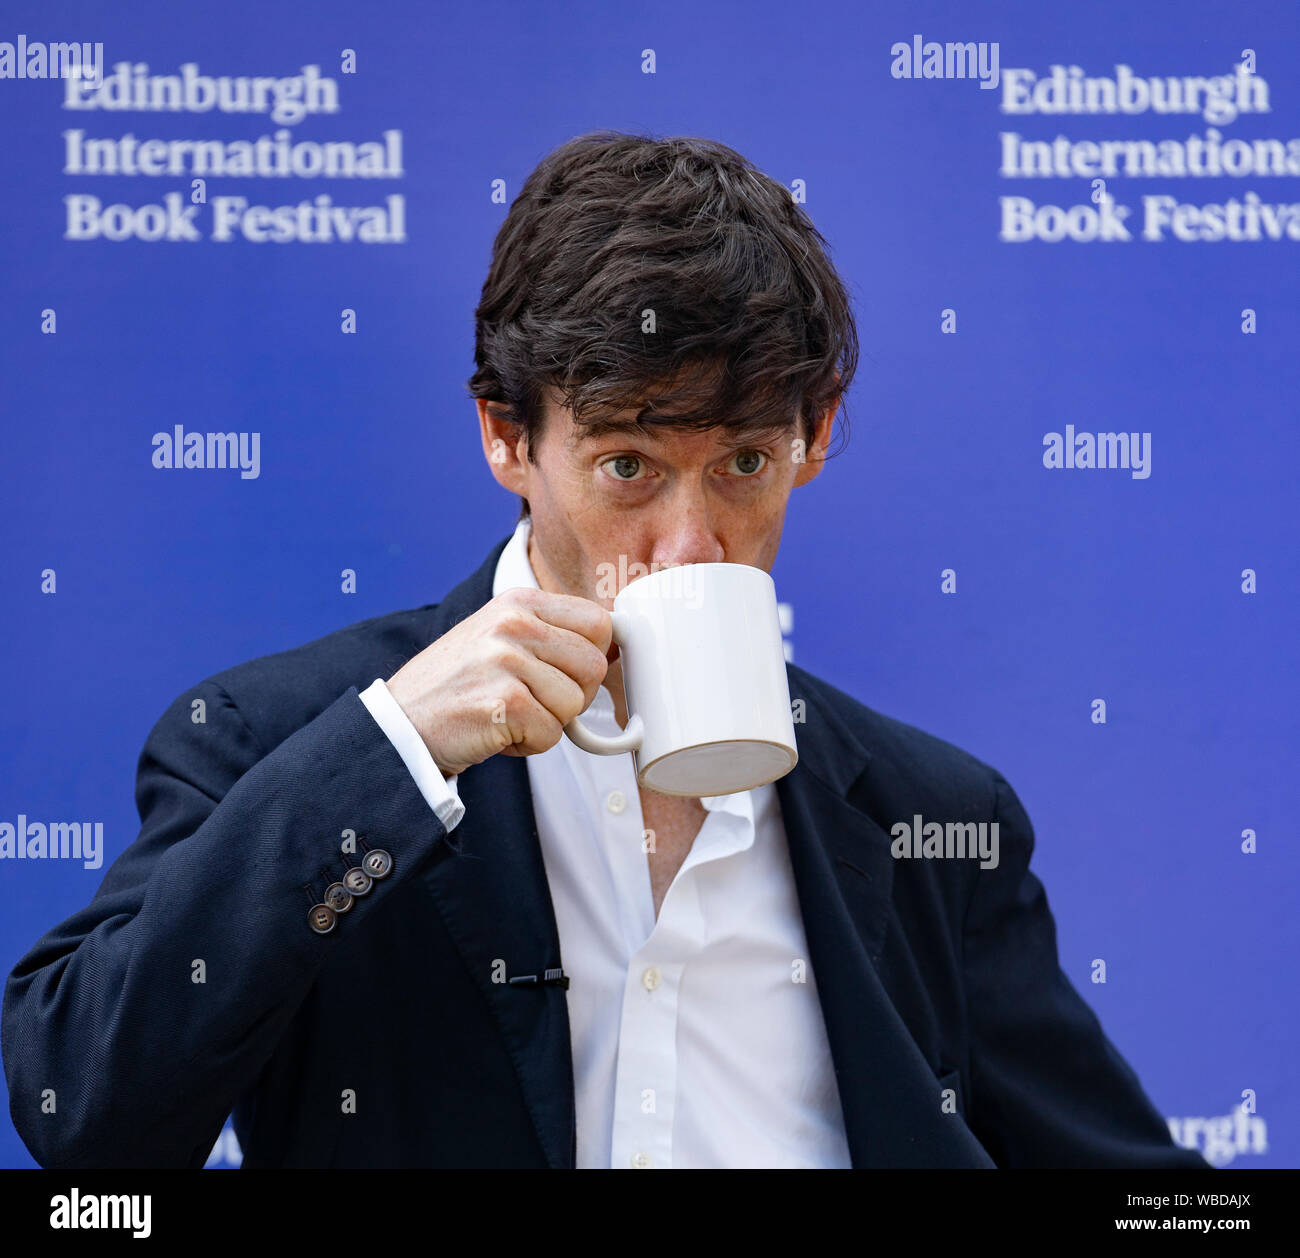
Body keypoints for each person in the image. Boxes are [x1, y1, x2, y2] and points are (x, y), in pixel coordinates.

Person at [2, 131, 1208, 1170]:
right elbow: (80, 1107)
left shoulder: (930, 816)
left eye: (743, 462)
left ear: (816, 435)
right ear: (504, 436)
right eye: (628, 465)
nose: (690, 547)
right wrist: (394, 755)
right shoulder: (287, 742)